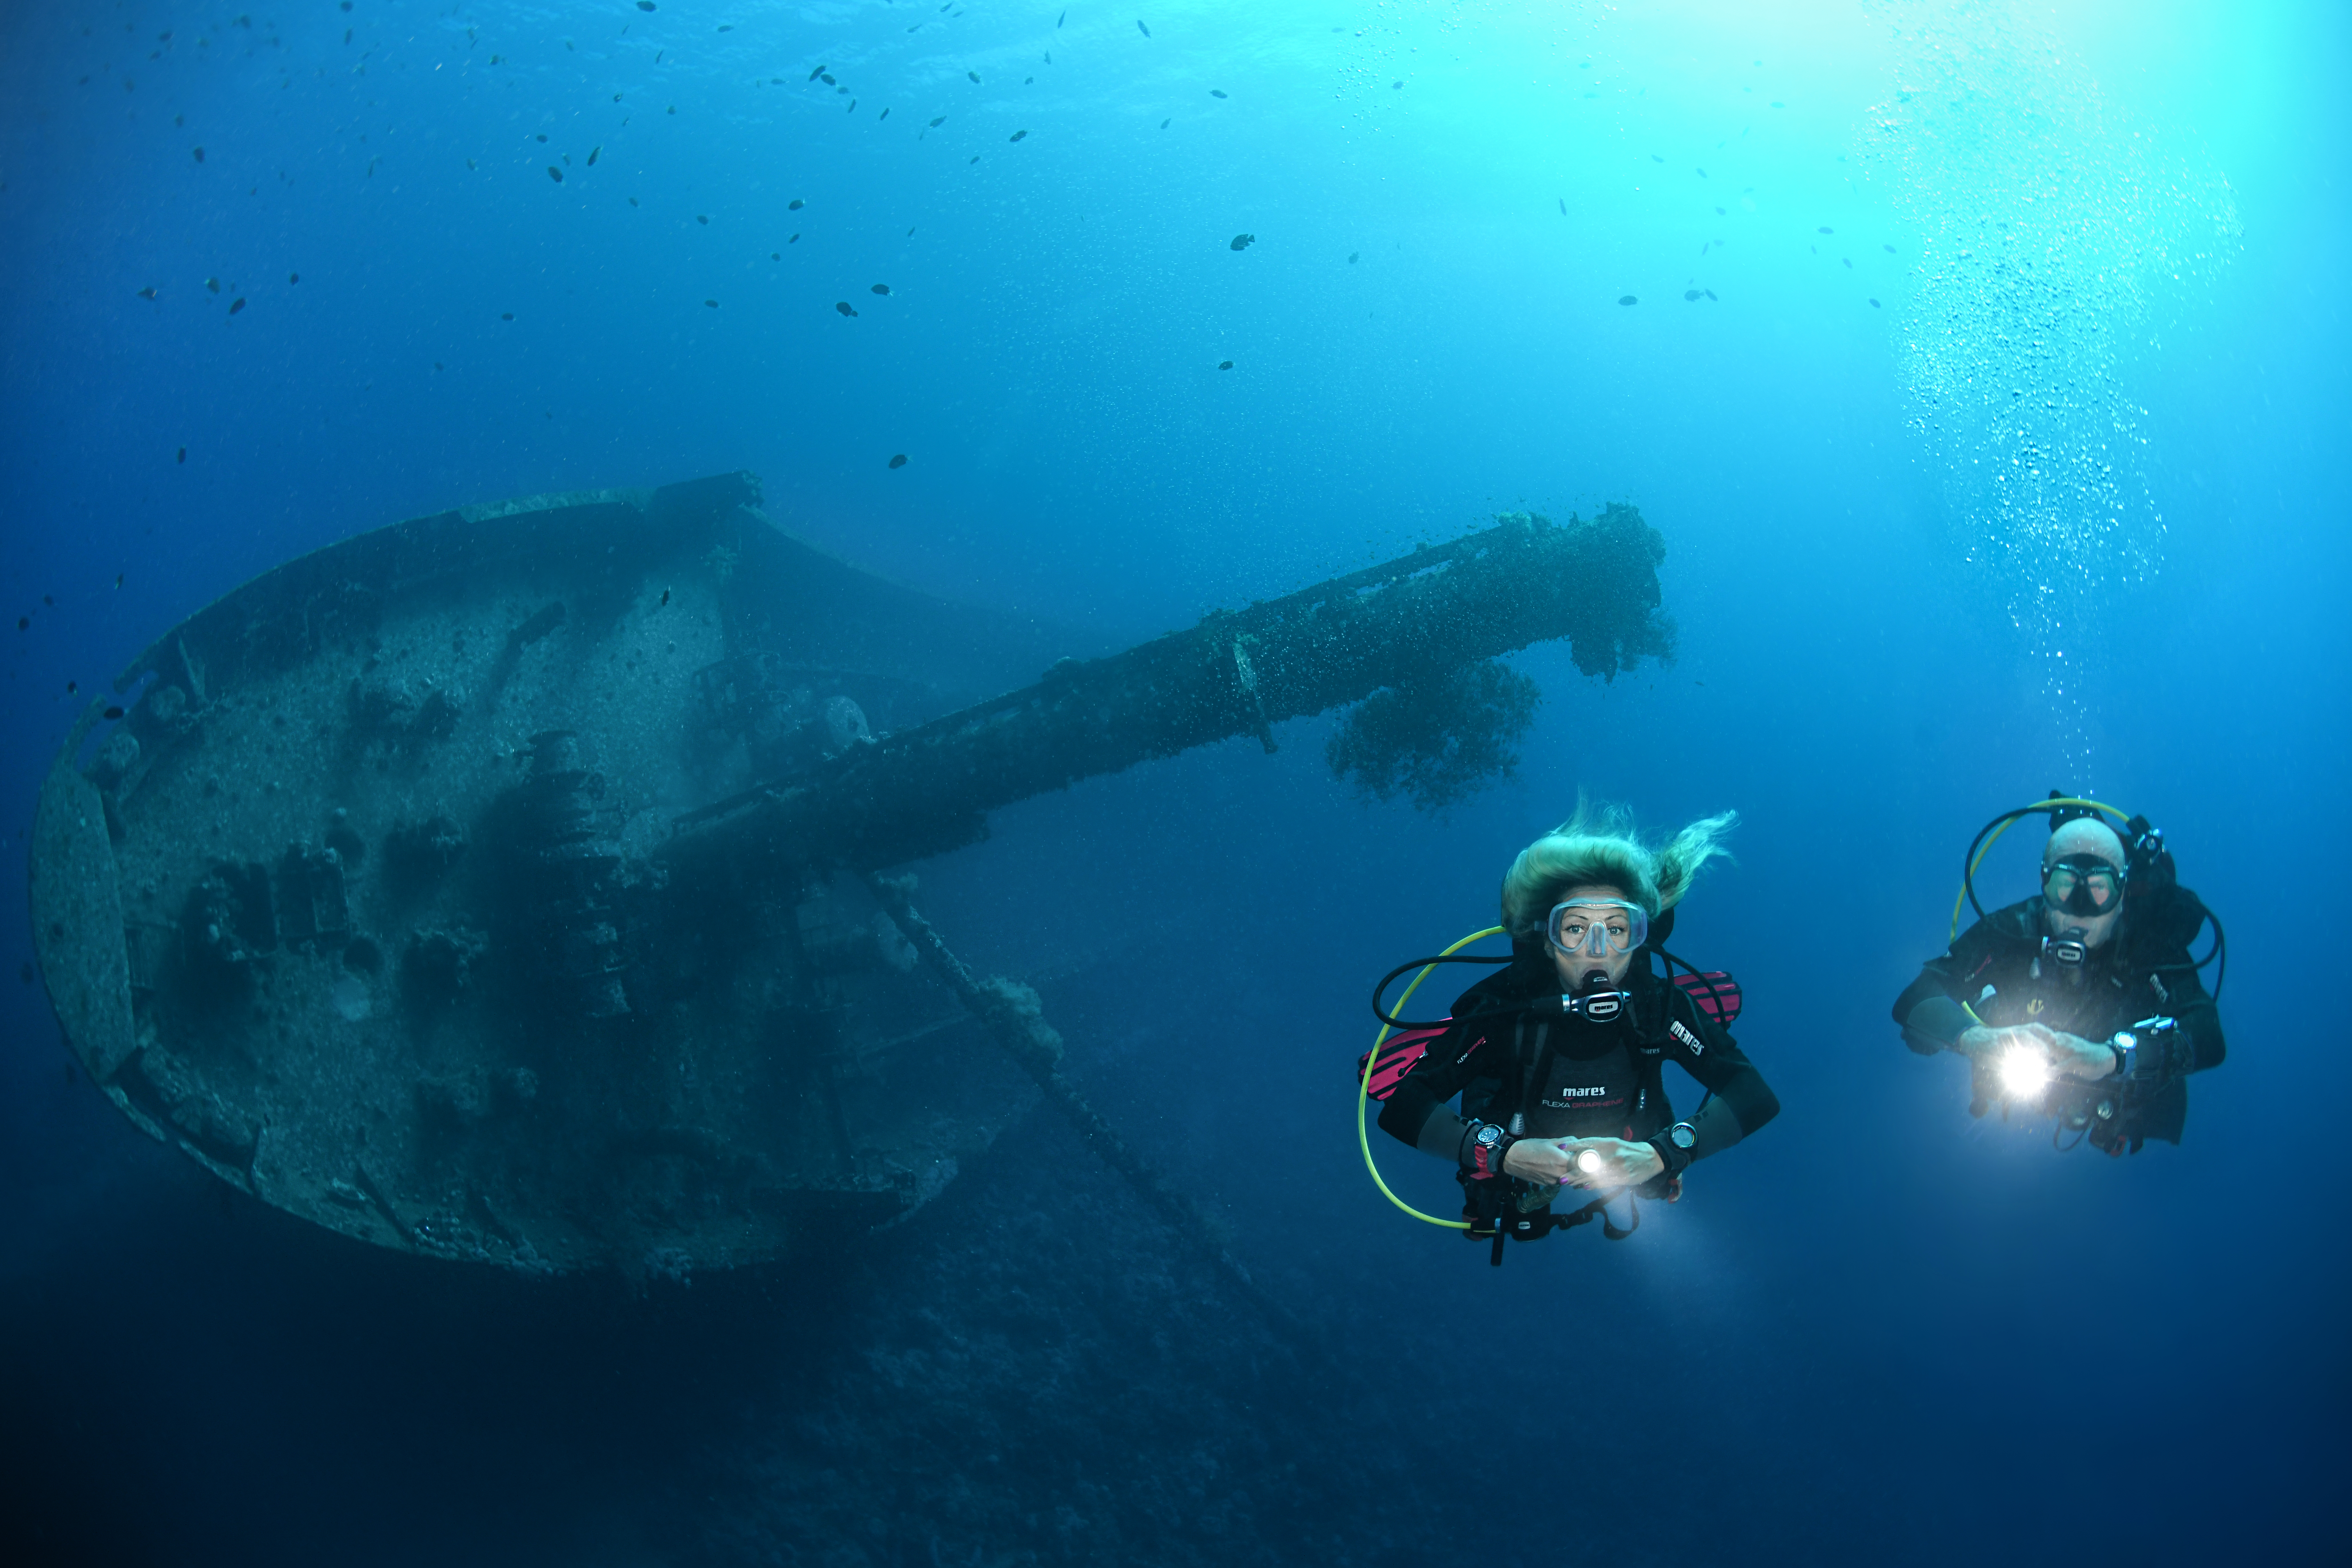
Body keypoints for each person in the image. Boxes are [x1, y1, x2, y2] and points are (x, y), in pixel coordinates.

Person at [1376, 802, 1780, 1245]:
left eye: (1617, 928)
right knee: (1496, 1202)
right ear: (1547, 943)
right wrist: (1502, 1155)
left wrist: (1662, 1154)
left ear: (1638, 938)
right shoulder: (1502, 1007)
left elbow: (1754, 1095)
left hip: (1630, 1137)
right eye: (1574, 928)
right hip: (1517, 1137)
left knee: (1654, 1182)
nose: (1597, 948)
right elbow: (1403, 1106)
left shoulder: (1659, 1007)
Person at [1892, 810, 2226, 1153]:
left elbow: (2209, 1033)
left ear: (2123, 891)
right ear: (2044, 882)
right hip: (2017, 1140)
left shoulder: (2149, 944)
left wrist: (2113, 1057)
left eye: (2099, 888)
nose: (2080, 909)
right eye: (2065, 885)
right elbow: (1917, 995)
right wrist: (1977, 1038)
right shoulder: (2015, 929)